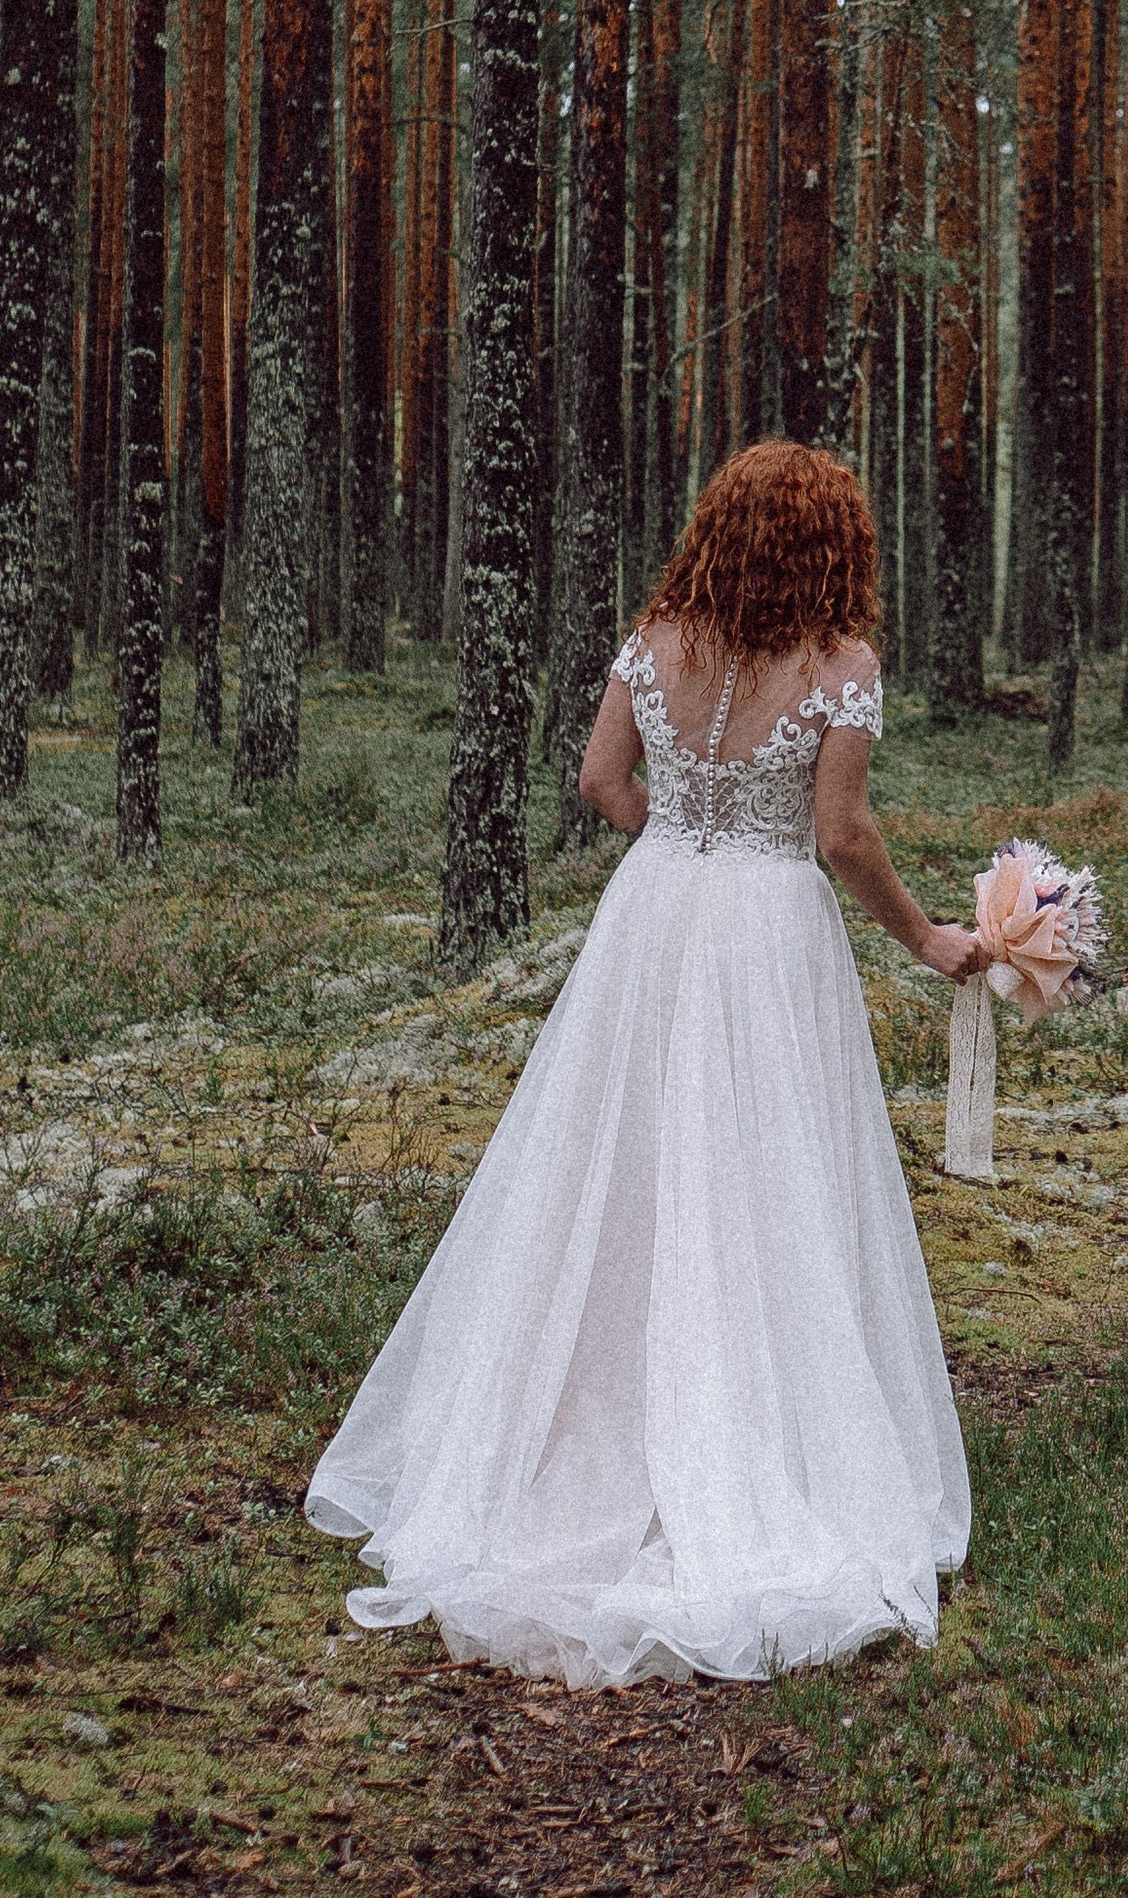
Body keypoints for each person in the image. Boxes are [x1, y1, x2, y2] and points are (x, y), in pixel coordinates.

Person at [307, 442, 979, 1689]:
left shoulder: (655, 638)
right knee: (765, 1172)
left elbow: (598, 779)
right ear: (835, 543)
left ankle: (580, 1415)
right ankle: (748, 1428)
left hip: (655, 911)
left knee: (614, 1165)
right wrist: (927, 937)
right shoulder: (840, 666)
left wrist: (675, 838)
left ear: (717, 529)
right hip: (768, 927)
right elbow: (841, 835)